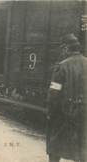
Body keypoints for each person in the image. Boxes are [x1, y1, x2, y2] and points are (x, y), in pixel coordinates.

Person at [46, 33, 87, 162]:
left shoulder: (62, 66)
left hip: (63, 113)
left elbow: (54, 93)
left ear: (65, 48)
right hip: (84, 112)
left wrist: (50, 112)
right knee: (81, 145)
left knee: (54, 145)